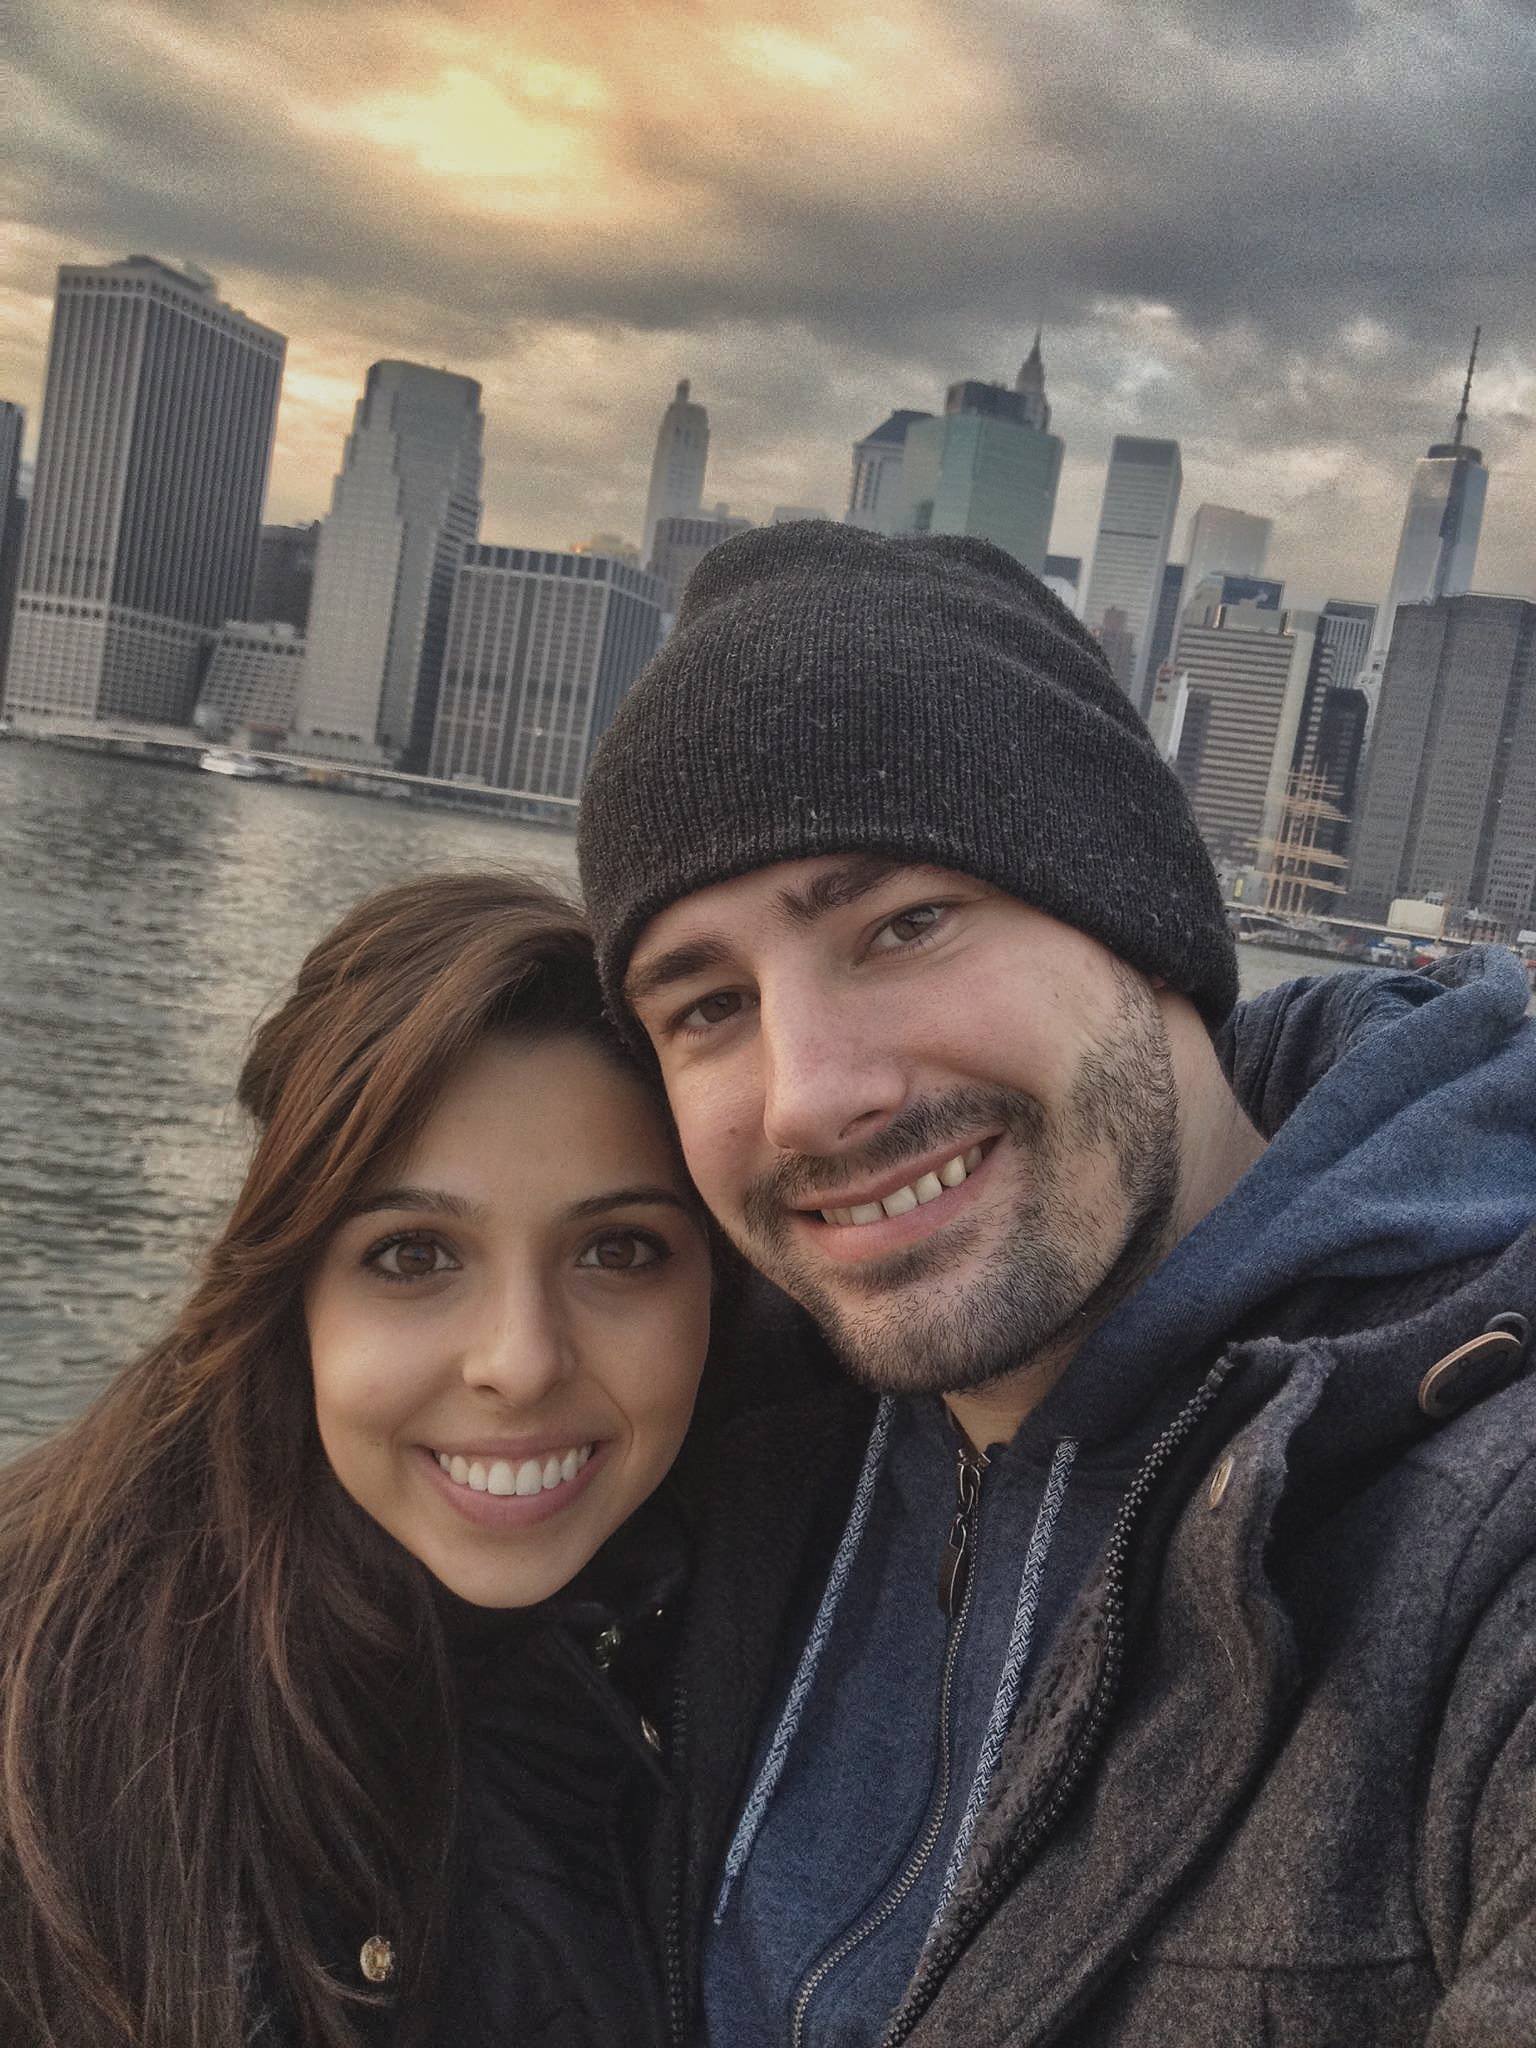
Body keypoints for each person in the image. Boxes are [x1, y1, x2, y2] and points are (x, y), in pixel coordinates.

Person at [578, 520, 1536, 2048]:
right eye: (706, 1005)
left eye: (904, 925)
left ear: (1135, 918)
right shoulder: (703, 1432)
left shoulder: (1486, 1532)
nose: (808, 1096)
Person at [0, 871, 711, 2048]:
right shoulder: (44, 1714)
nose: (521, 1361)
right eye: (414, 1254)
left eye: (620, 1249)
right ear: (292, 1296)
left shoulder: (768, 1619)